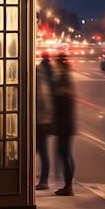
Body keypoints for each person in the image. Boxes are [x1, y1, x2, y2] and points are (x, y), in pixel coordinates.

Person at [52, 53, 76, 196]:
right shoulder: (65, 78)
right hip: (66, 122)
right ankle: (68, 185)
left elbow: (61, 102)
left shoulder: (63, 80)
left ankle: (68, 186)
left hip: (64, 123)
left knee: (64, 153)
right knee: (65, 154)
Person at [35, 53, 54, 190]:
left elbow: (42, 103)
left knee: (39, 151)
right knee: (41, 152)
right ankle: (43, 179)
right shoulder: (45, 81)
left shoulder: (39, 84)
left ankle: (43, 180)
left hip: (40, 122)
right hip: (43, 121)